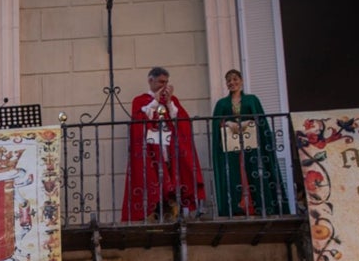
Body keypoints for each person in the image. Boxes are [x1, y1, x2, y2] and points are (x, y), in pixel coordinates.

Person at [122, 67, 205, 222]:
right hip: (152, 150)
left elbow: (181, 120)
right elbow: (140, 120)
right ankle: (155, 213)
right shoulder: (140, 100)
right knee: (155, 180)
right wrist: (155, 100)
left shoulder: (172, 101)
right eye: (161, 81)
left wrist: (168, 102)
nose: (164, 85)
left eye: (166, 82)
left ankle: (176, 213)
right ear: (150, 80)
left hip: (170, 150)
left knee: (174, 179)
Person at [209, 69, 288, 217]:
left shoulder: (252, 99)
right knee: (234, 175)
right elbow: (217, 124)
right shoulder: (222, 103)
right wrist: (227, 124)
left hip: (251, 145)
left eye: (235, 79)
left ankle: (260, 207)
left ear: (241, 81)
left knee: (254, 172)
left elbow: (261, 120)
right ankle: (236, 209)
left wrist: (248, 122)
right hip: (231, 149)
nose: (232, 82)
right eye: (229, 80)